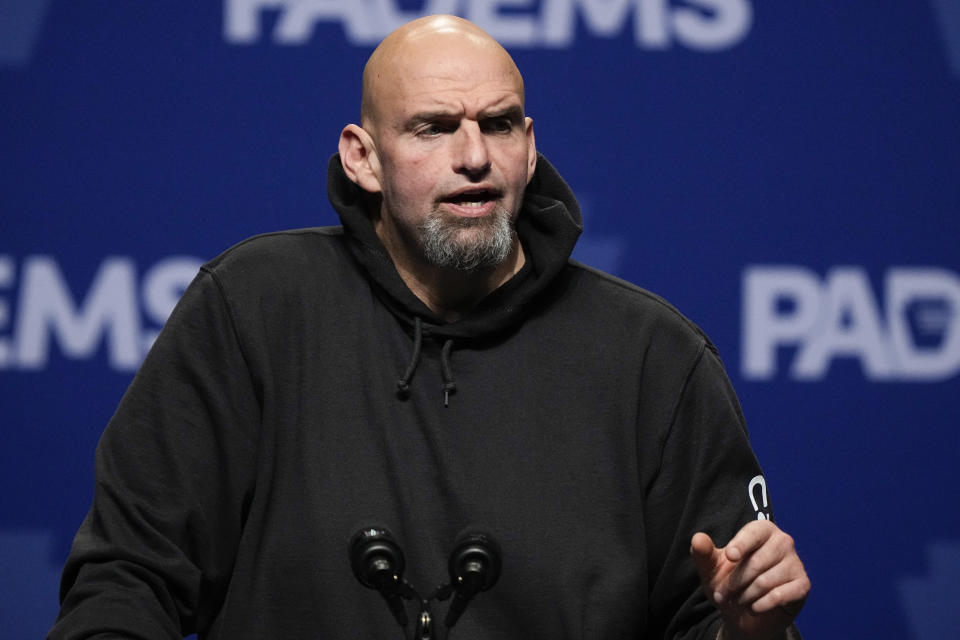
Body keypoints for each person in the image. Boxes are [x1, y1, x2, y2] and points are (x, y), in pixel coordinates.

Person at [50, 14, 809, 640]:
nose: (474, 157)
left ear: (530, 146)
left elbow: (717, 616)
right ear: (363, 159)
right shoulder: (252, 309)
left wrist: (751, 633)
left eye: (500, 125)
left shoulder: (654, 359)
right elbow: (128, 580)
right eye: (434, 128)